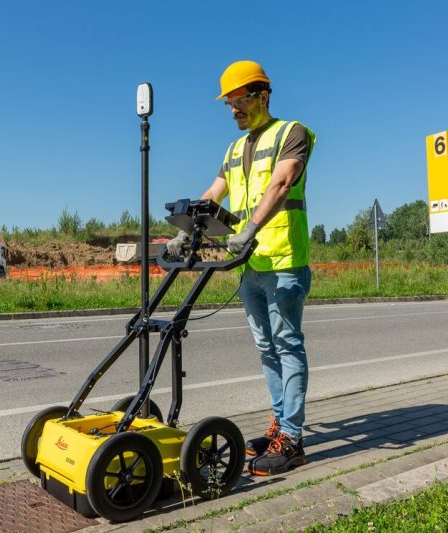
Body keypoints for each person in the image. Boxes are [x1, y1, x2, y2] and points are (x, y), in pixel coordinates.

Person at [168, 60, 315, 475]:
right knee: (267, 348)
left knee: (287, 344)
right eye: (228, 103)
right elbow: (215, 191)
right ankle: (279, 424)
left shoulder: (292, 133)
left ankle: (292, 439)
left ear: (262, 95)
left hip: (284, 258)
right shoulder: (234, 149)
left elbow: (282, 183)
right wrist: (186, 228)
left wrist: (250, 227)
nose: (232, 109)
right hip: (249, 263)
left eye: (238, 100)